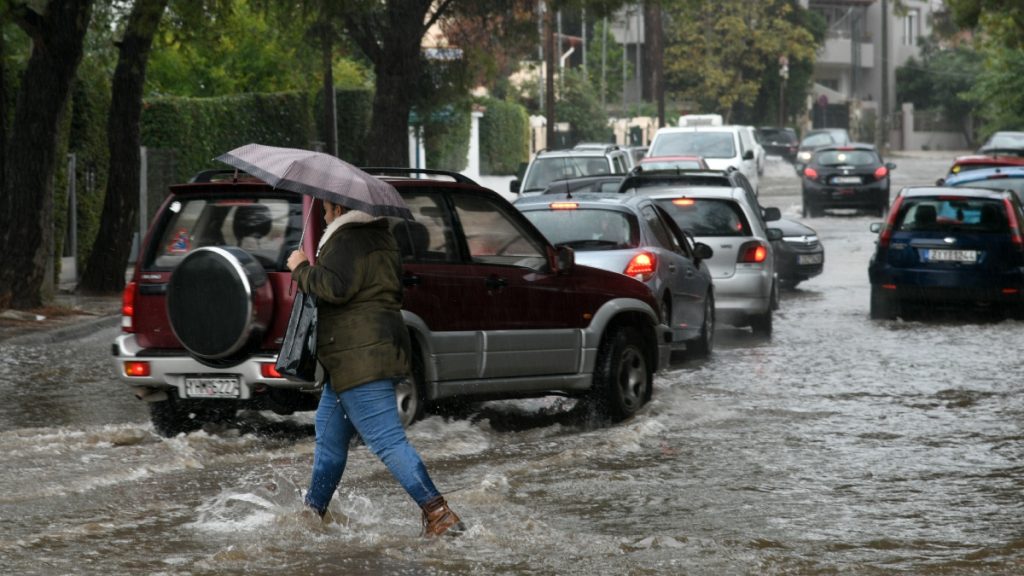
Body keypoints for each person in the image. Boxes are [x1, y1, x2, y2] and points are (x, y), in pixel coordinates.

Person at [286, 199, 464, 537]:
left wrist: (301, 268)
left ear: (339, 209)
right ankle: (312, 516)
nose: (324, 215)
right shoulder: (381, 236)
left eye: (326, 210)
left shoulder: (347, 239)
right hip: (364, 353)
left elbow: (334, 287)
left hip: (358, 356)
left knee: (387, 440)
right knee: (329, 442)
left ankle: (439, 514)